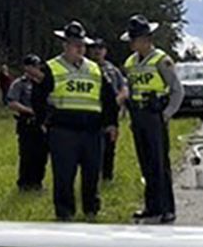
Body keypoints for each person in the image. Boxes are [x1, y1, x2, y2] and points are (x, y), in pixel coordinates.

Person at [32, 20, 119, 221]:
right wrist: (43, 121)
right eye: (75, 44)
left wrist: (111, 123)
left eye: (82, 44)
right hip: (63, 131)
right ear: (65, 45)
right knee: (64, 175)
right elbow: (38, 97)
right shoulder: (52, 68)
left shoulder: (96, 69)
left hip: (92, 131)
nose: (80, 48)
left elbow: (108, 99)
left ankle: (91, 210)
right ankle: (65, 213)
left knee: (91, 174)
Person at [121, 14, 183, 223]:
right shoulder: (130, 63)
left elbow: (177, 91)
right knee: (145, 163)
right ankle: (152, 206)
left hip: (155, 115)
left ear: (146, 39)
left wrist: (166, 114)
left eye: (134, 39)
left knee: (159, 163)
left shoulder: (161, 60)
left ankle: (167, 207)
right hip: (138, 117)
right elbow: (130, 89)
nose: (131, 43)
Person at [87, 37, 128, 182]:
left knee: (110, 145)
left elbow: (124, 88)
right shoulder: (86, 68)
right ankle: (93, 176)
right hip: (92, 112)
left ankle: (107, 176)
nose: (97, 51)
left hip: (110, 113)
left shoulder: (113, 70)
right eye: (94, 48)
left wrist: (117, 101)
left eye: (100, 48)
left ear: (105, 51)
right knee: (92, 146)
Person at [6, 54, 48, 191]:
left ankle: (37, 182)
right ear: (26, 67)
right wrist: (29, 110)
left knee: (41, 154)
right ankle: (24, 183)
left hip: (42, 123)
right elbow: (12, 103)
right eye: (32, 66)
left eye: (37, 66)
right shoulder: (19, 84)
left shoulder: (44, 83)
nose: (35, 69)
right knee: (27, 154)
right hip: (27, 123)